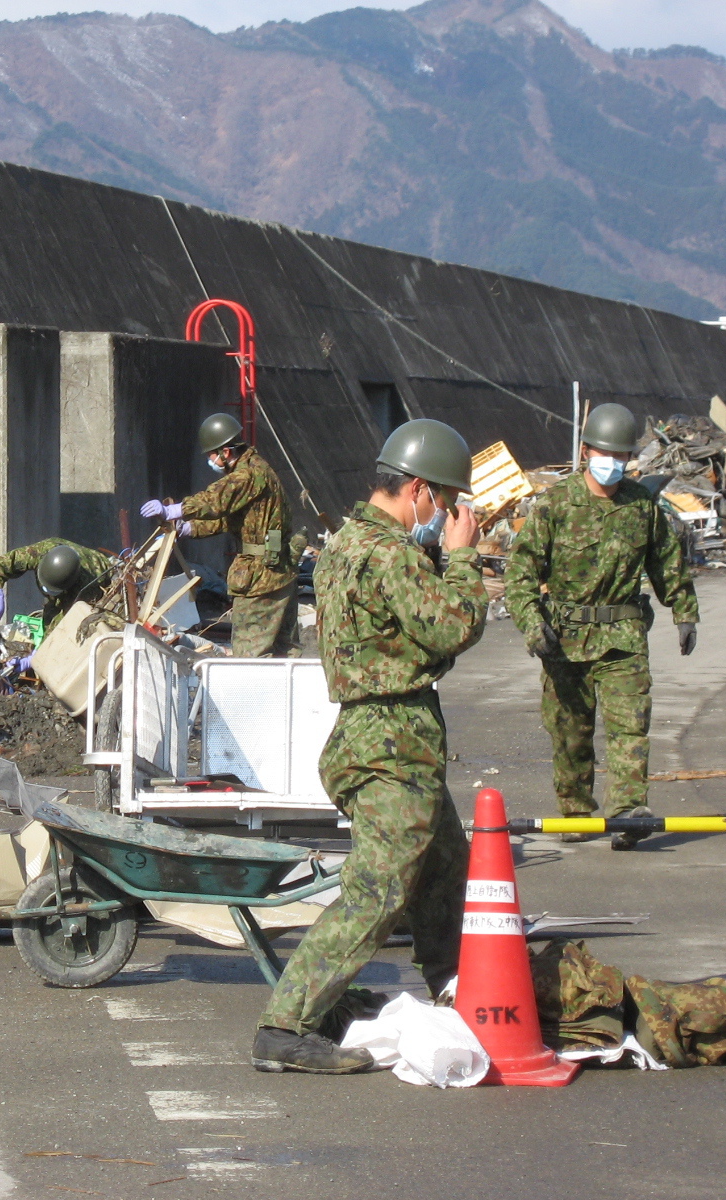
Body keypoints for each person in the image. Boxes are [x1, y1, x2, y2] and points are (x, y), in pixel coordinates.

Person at [252, 419, 487, 1073]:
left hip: (384, 737)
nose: (447, 515)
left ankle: (459, 987)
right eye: (445, 501)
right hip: (391, 742)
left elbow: (398, 631)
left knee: (444, 870)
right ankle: (286, 1025)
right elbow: (453, 627)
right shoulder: (389, 554)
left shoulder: (347, 545)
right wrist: (464, 558)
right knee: (378, 891)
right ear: (418, 490)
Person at [506, 402, 699, 851]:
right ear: (586, 451)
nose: (612, 462)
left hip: (623, 640)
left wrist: (685, 611)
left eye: (621, 455)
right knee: (570, 735)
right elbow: (520, 573)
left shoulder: (641, 506)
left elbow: (666, 562)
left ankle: (628, 812)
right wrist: (532, 624)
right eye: (604, 453)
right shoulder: (554, 505)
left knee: (630, 728)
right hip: (565, 642)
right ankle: (576, 813)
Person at [140, 413, 299, 657]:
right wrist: (189, 528)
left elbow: (216, 500)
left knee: (250, 653)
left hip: (261, 576)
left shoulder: (248, 475)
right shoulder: (258, 470)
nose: (210, 461)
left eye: (210, 455)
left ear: (225, 452)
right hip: (278, 569)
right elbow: (231, 520)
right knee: (284, 651)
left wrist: (176, 510)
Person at [0, 539, 115, 671]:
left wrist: (37, 656)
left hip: (101, 586)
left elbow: (60, 628)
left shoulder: (83, 591)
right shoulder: (41, 551)